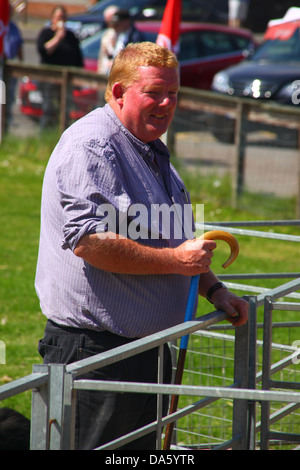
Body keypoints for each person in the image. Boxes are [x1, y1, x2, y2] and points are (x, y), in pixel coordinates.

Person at [35, 41, 248, 450]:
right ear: (118, 92)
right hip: (98, 355)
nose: (166, 103)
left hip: (144, 353)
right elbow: (90, 242)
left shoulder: (148, 149)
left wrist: (214, 290)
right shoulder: (93, 146)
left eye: (173, 93)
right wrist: (174, 259)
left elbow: (175, 243)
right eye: (153, 92)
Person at [36, 5, 83, 127]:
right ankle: (45, 135)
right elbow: (44, 50)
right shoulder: (46, 33)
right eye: (58, 18)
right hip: (49, 79)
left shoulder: (71, 36)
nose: (60, 20)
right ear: (52, 19)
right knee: (48, 108)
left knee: (65, 110)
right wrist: (58, 37)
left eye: (63, 17)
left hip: (67, 80)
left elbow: (78, 58)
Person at [98, 8, 145, 75]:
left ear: (126, 21)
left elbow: (135, 59)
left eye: (118, 23)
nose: (116, 25)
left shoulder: (135, 37)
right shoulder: (119, 34)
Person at [3, 5, 23, 131]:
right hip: (2, 65)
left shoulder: (14, 27)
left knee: (8, 98)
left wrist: (22, 65)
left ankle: (5, 125)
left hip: (11, 68)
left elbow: (19, 46)